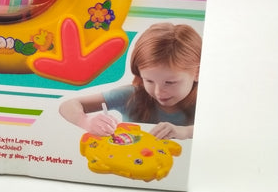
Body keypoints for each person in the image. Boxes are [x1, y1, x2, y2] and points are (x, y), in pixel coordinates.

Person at [59, 23, 201, 140]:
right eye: (149, 81)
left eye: (170, 82)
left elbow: (214, 129)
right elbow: (68, 105)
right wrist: (85, 121)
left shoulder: (204, 102)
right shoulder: (131, 96)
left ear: (197, 73)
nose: (158, 92)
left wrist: (186, 132)